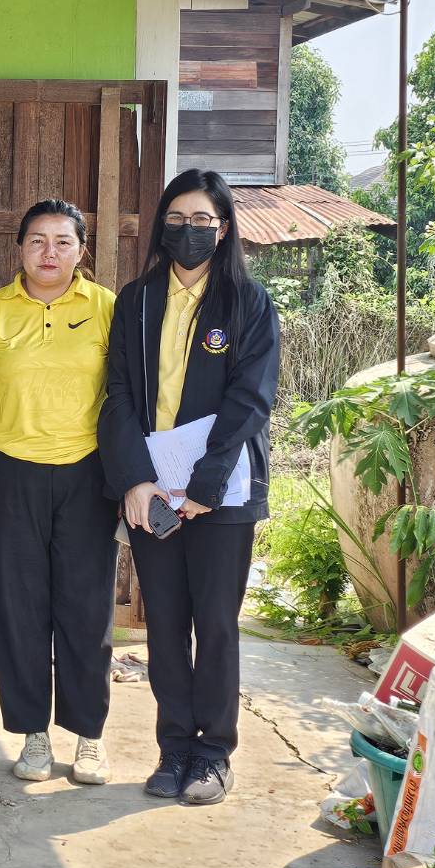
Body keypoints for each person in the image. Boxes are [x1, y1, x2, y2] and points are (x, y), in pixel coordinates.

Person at [98, 168, 279, 806]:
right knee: (165, 625)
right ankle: (174, 747)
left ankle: (214, 754)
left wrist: (202, 483)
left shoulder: (247, 303)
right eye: (177, 220)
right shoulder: (137, 300)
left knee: (216, 625)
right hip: (154, 494)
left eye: (202, 221)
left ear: (224, 228)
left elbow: (250, 401)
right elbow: (118, 394)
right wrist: (135, 481)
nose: (188, 231)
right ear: (161, 227)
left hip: (221, 495)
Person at [0, 199, 118, 785]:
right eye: (38, 241)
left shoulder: (106, 310)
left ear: (82, 250)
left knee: (86, 606)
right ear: (18, 248)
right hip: (8, 470)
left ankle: (90, 734)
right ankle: (34, 735)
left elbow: (126, 399)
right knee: (18, 608)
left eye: (63, 242)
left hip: (87, 472)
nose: (50, 253)